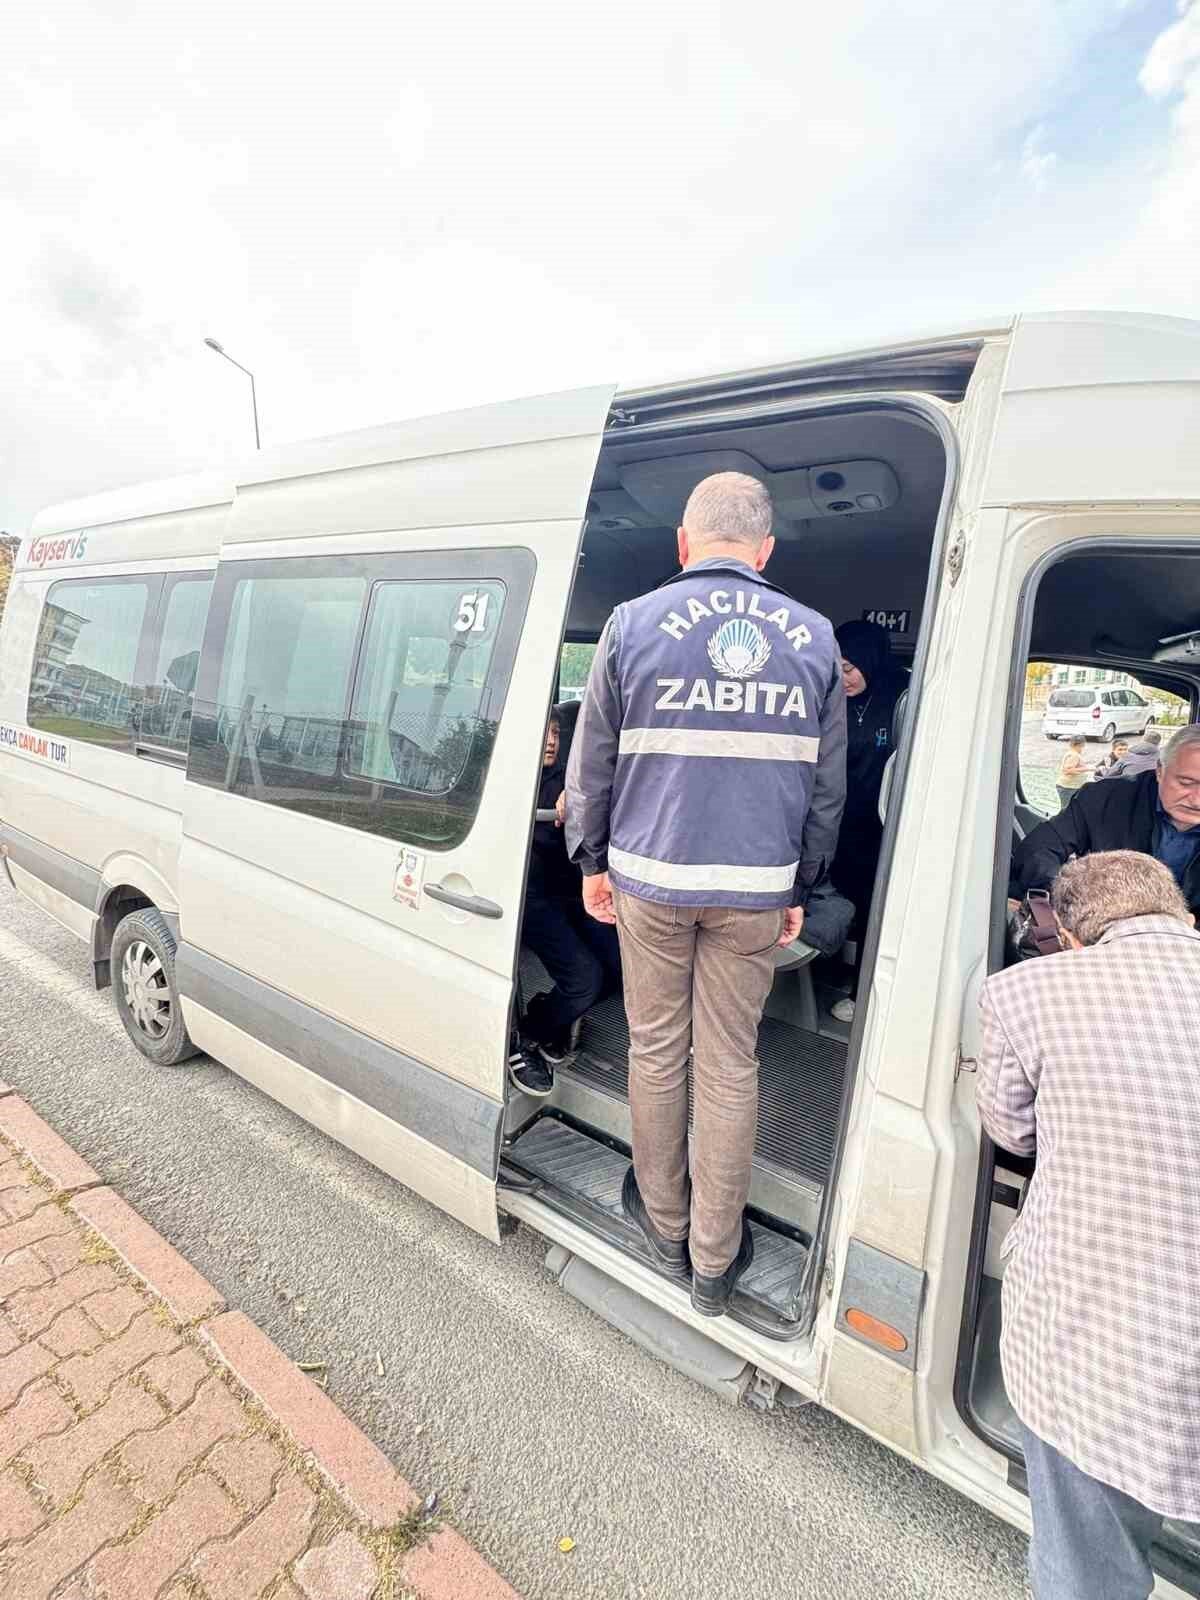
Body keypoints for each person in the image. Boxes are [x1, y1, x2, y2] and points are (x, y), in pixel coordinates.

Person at [565, 471, 846, 1316]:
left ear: (684, 545)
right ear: (764, 550)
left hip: (650, 880)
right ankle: (716, 1266)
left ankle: (664, 1224)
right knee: (730, 1066)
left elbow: (592, 764)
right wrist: (804, 882)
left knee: (657, 1052)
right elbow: (826, 787)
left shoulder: (630, 625)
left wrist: (590, 862)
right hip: (756, 890)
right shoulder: (816, 638)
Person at [978, 850, 1200, 1600]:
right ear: (1182, 915)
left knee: (1087, 1569)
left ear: (1069, 936)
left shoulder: (1026, 991)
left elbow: (1011, 1131)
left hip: (1102, 1349)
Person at [509, 708, 622, 1098]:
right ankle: (524, 1037)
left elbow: (592, 785)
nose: (552, 739)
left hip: (574, 894)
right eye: (544, 732)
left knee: (619, 969)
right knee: (583, 979)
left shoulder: (566, 777)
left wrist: (575, 793)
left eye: (556, 732)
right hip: (532, 897)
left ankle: (550, 1014)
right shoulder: (511, 777)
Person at [1012, 722, 1200, 918]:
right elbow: (1039, 850)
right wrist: (1081, 901)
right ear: (1159, 770)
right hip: (1105, 924)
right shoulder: (1106, 798)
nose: (1196, 800)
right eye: (1186, 783)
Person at [827, 619, 909, 1022]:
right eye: (835, 668)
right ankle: (823, 969)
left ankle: (864, 992)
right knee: (832, 902)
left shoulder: (901, 697)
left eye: (849, 668)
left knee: (876, 909)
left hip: (881, 828)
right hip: (834, 824)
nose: (843, 678)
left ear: (870, 661)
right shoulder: (827, 698)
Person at [1097, 729, 1161, 779]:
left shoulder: (1127, 756)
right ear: (1158, 743)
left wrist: (1102, 768)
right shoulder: (1163, 758)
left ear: (1142, 740)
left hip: (1128, 790)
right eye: (1120, 750)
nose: (1122, 752)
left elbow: (1107, 775)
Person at [1054, 734, 1091, 810]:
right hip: (1068, 787)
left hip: (1069, 787)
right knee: (1066, 810)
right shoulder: (1074, 755)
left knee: (1069, 809)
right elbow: (1067, 770)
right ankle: (1062, 821)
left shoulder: (1071, 753)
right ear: (1081, 744)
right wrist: (1087, 768)